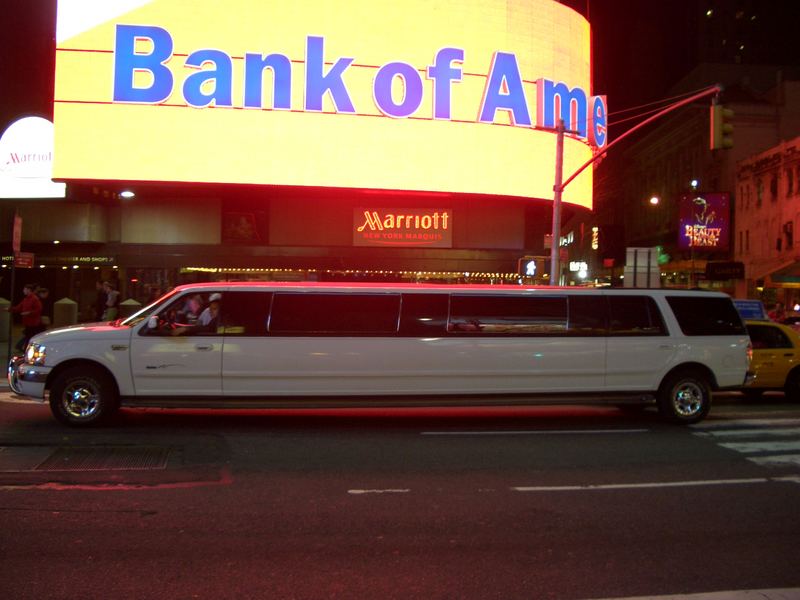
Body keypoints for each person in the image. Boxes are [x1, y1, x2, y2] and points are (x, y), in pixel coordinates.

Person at [6, 283, 43, 351]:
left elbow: (38, 310)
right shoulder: (26, 299)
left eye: (25, 289)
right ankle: (26, 351)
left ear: (29, 290)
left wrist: (29, 313)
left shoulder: (35, 299)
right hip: (27, 322)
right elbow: (19, 307)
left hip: (33, 323)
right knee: (28, 338)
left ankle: (29, 352)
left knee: (30, 338)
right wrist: (9, 309)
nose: (23, 290)